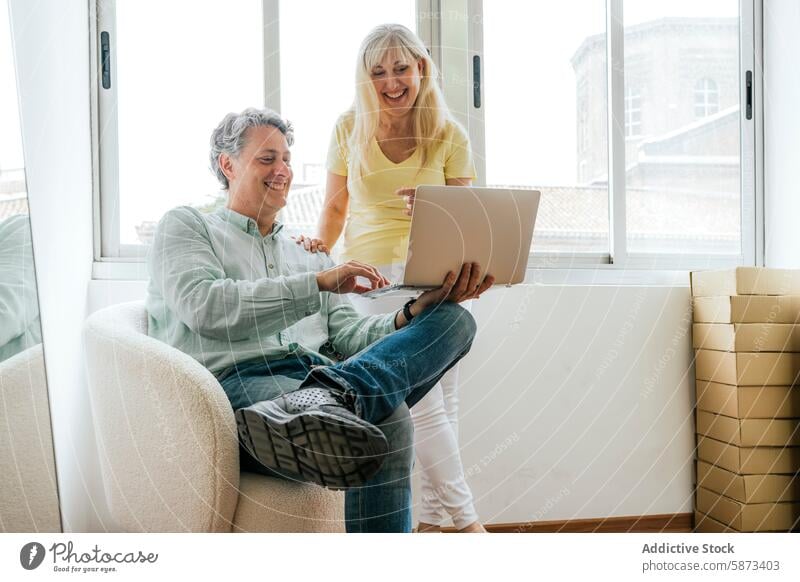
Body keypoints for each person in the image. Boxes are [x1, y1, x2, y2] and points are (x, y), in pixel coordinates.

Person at [145, 108, 494, 533]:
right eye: (267, 159)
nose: (283, 171)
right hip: (240, 390)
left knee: (454, 321)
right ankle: (332, 399)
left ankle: (335, 396)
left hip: (315, 380)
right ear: (227, 164)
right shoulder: (188, 225)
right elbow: (205, 306)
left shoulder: (307, 251)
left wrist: (412, 313)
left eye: (287, 159)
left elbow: (350, 336)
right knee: (393, 417)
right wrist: (317, 283)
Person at [296, 24, 484, 532]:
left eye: (401, 68)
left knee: (444, 405)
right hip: (371, 282)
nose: (391, 82)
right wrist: (321, 255)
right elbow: (335, 210)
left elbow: (466, 219)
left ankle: (430, 527)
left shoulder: (449, 134)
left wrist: (435, 209)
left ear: (421, 68)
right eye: (378, 72)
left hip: (436, 280)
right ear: (365, 78)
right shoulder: (347, 127)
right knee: (418, 408)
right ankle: (470, 528)